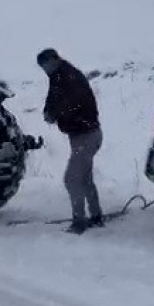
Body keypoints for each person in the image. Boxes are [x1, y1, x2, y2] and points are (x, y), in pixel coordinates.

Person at [37, 49, 104, 234]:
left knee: (72, 179)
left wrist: (54, 114)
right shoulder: (59, 75)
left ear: (55, 60)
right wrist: (48, 111)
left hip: (87, 135)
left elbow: (71, 104)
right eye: (43, 67)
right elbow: (54, 98)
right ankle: (96, 216)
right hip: (84, 135)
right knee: (84, 178)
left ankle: (79, 222)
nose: (45, 69)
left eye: (46, 65)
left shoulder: (68, 77)